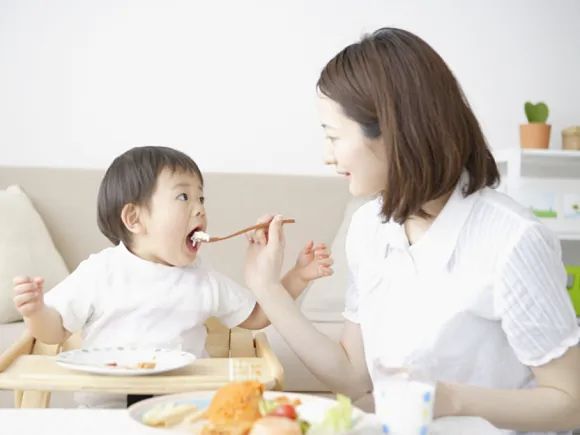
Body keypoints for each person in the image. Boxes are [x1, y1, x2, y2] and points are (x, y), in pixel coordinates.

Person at [244, 28, 580, 434]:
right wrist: (267, 288)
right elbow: (353, 375)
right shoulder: (370, 226)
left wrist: (454, 399)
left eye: (333, 136)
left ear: (391, 131)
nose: (326, 155)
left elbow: (569, 403)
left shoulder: (513, 240)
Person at [12, 145, 332, 408]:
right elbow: (53, 332)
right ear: (135, 218)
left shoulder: (203, 279)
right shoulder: (100, 272)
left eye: (201, 198)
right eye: (184, 197)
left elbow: (260, 316)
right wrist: (35, 311)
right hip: (107, 410)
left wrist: (298, 276)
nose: (200, 209)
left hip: (185, 406)